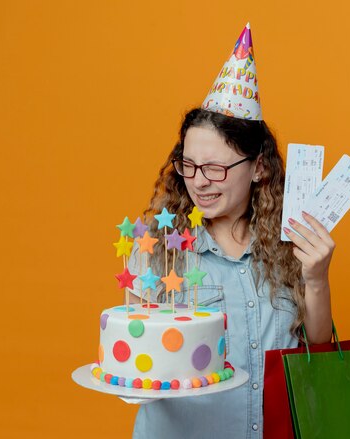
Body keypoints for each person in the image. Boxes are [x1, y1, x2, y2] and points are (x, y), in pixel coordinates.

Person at [128, 24, 335, 439]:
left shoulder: (288, 245)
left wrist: (316, 279)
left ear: (258, 168)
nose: (199, 181)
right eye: (188, 165)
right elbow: (137, 364)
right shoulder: (160, 249)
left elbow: (316, 354)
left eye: (216, 168)